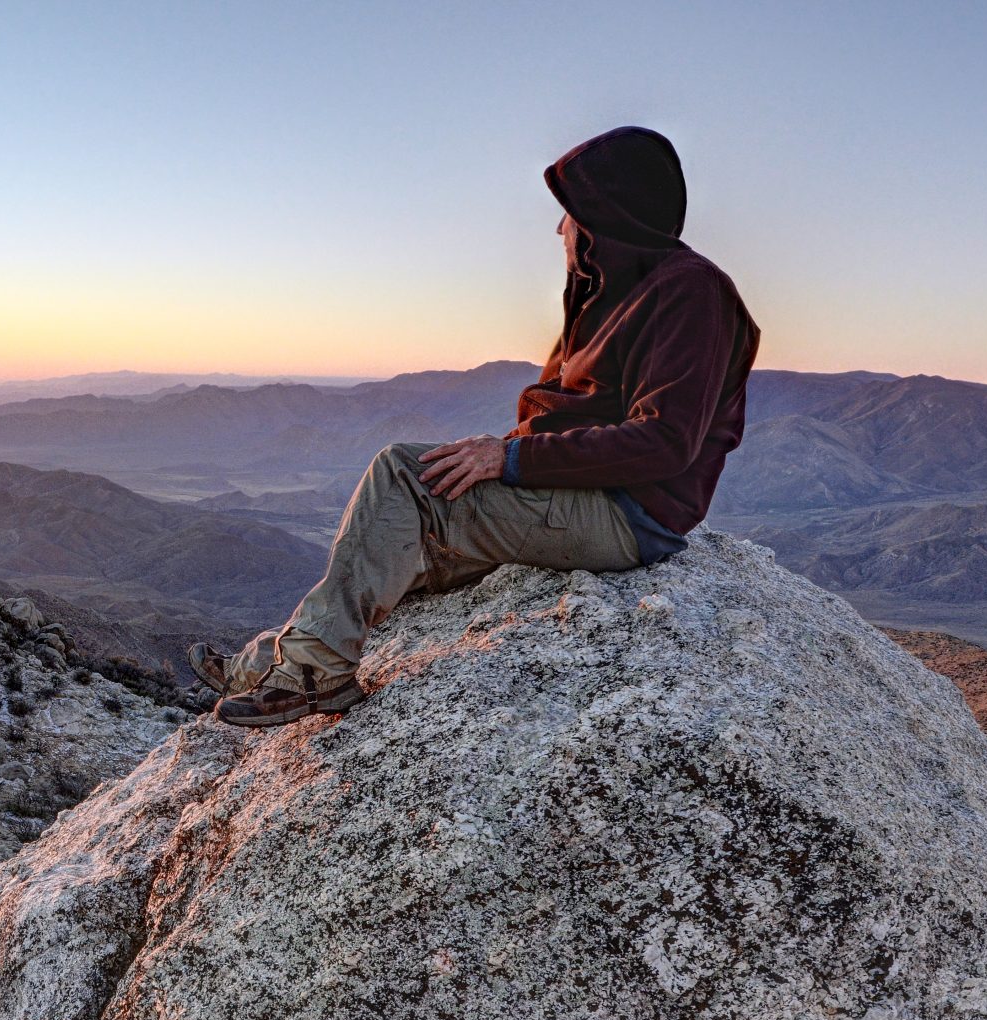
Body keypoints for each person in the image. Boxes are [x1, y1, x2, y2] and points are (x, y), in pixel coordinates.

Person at [198, 126, 761, 727]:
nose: (559, 230)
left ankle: (316, 678)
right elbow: (569, 413)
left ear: (606, 215)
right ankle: (265, 664)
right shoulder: (609, 295)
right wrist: (503, 454)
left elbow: (666, 441)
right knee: (392, 545)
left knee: (403, 475)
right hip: (583, 495)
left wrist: (509, 460)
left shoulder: (690, 292)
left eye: (568, 214)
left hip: (626, 513)